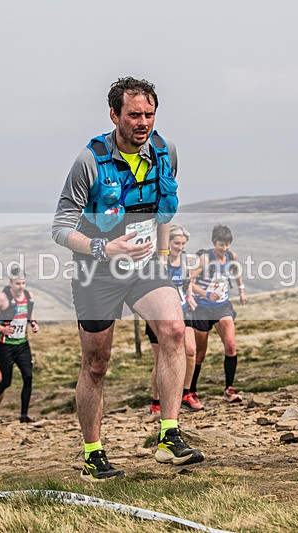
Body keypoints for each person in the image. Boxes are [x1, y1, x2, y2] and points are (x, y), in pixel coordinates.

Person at [52, 76, 204, 481]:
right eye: (134, 114)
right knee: (97, 364)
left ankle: (169, 437)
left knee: (173, 330)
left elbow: (162, 210)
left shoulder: (165, 151)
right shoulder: (89, 161)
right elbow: (61, 227)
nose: (143, 122)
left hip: (144, 265)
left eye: (149, 114)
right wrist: (106, 249)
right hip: (96, 269)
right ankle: (92, 454)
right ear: (114, 114)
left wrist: (162, 254)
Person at [146, 224, 203, 418]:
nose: (179, 246)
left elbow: (187, 283)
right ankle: (156, 402)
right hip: (159, 314)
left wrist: (190, 296)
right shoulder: (158, 260)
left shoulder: (186, 262)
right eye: (176, 243)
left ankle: (186, 394)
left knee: (191, 352)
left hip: (183, 311)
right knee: (161, 359)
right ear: (167, 242)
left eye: (182, 243)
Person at [189, 224, 247, 403]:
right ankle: (191, 390)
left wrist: (241, 290)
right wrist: (204, 294)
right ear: (214, 243)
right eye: (221, 245)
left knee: (230, 345)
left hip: (222, 306)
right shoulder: (205, 259)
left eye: (227, 244)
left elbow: (236, 271)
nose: (224, 248)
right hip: (202, 308)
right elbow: (189, 281)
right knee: (199, 354)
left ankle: (229, 389)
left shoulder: (231, 256)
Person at [0, 266, 39, 424]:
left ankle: (24, 415)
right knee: (5, 381)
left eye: (23, 283)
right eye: (17, 283)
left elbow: (30, 312)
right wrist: (2, 329)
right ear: (10, 283)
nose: (21, 287)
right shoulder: (2, 298)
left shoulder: (29, 296)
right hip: (6, 345)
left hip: (22, 343)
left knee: (28, 377)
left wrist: (33, 323)